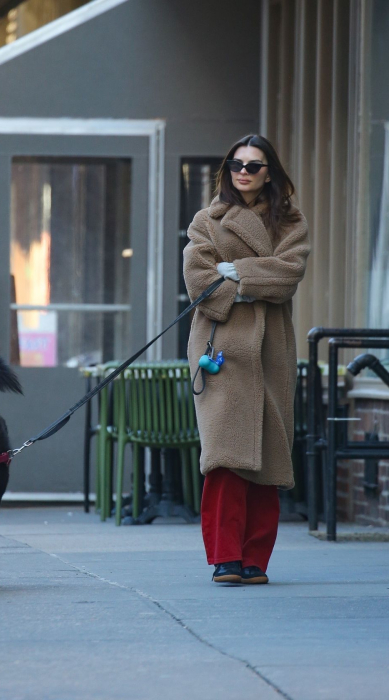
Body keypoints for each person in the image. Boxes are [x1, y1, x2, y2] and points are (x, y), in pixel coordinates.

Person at [183, 134, 311, 585]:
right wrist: (253, 279)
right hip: (220, 348)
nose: (243, 171)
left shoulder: (289, 222)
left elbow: (289, 273)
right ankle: (224, 558)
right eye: (236, 164)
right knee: (224, 454)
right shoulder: (207, 219)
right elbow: (198, 279)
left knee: (268, 454)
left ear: (269, 172)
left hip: (272, 349)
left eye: (253, 166)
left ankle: (256, 558)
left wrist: (235, 271)